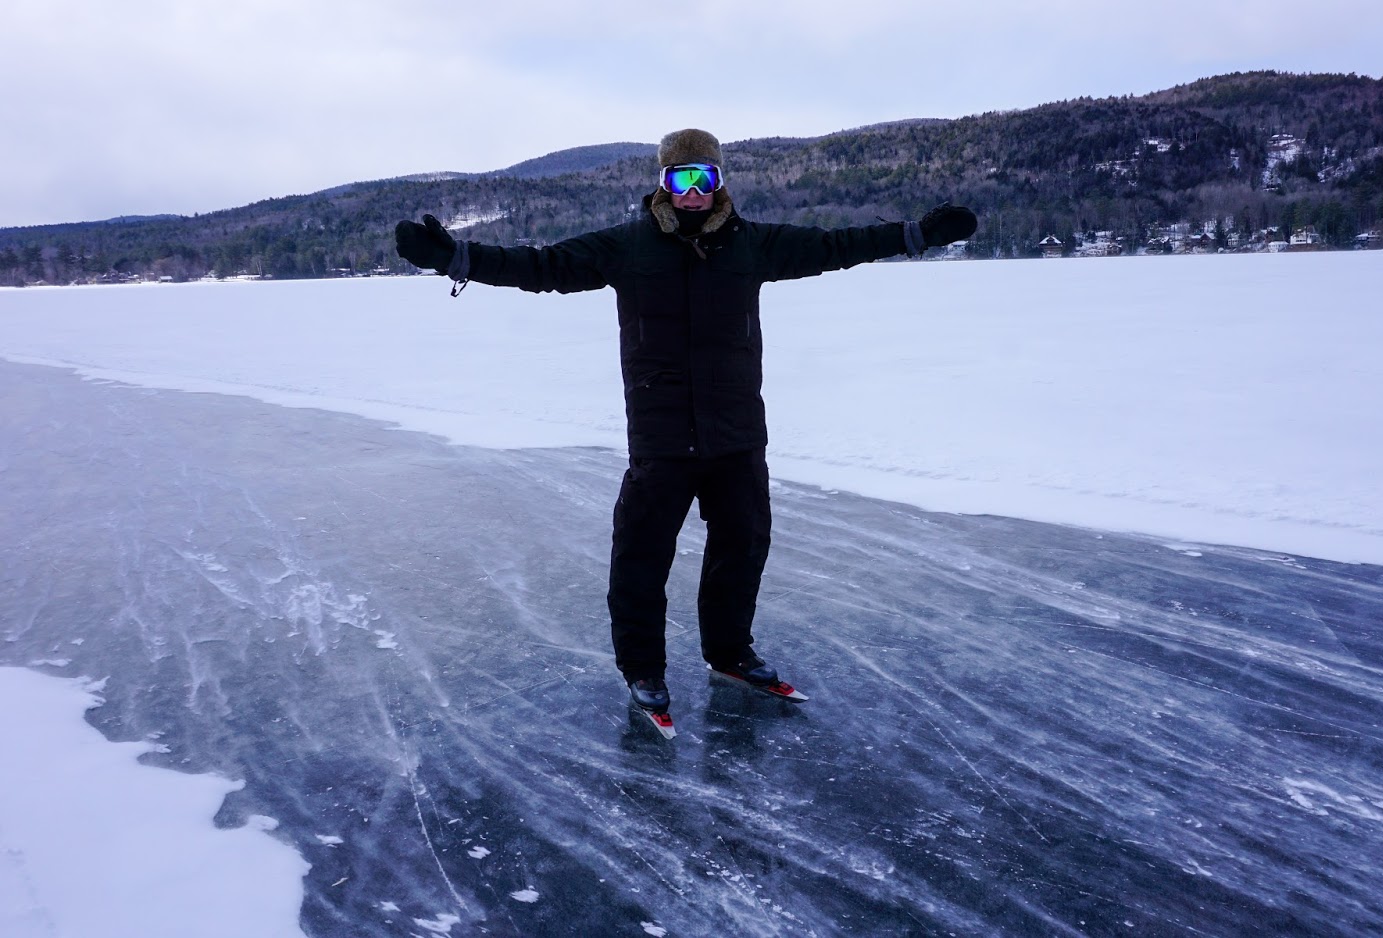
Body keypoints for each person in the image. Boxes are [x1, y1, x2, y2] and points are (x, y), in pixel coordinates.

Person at [395, 128, 975, 721]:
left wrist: (914, 235)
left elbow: (835, 245)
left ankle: (730, 652)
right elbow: (544, 265)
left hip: (737, 432)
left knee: (742, 547)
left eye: (704, 178)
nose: (693, 191)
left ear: (719, 181)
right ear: (663, 185)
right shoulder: (629, 246)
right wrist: (456, 257)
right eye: (681, 179)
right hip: (662, 433)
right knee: (642, 557)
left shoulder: (753, 245)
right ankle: (643, 668)